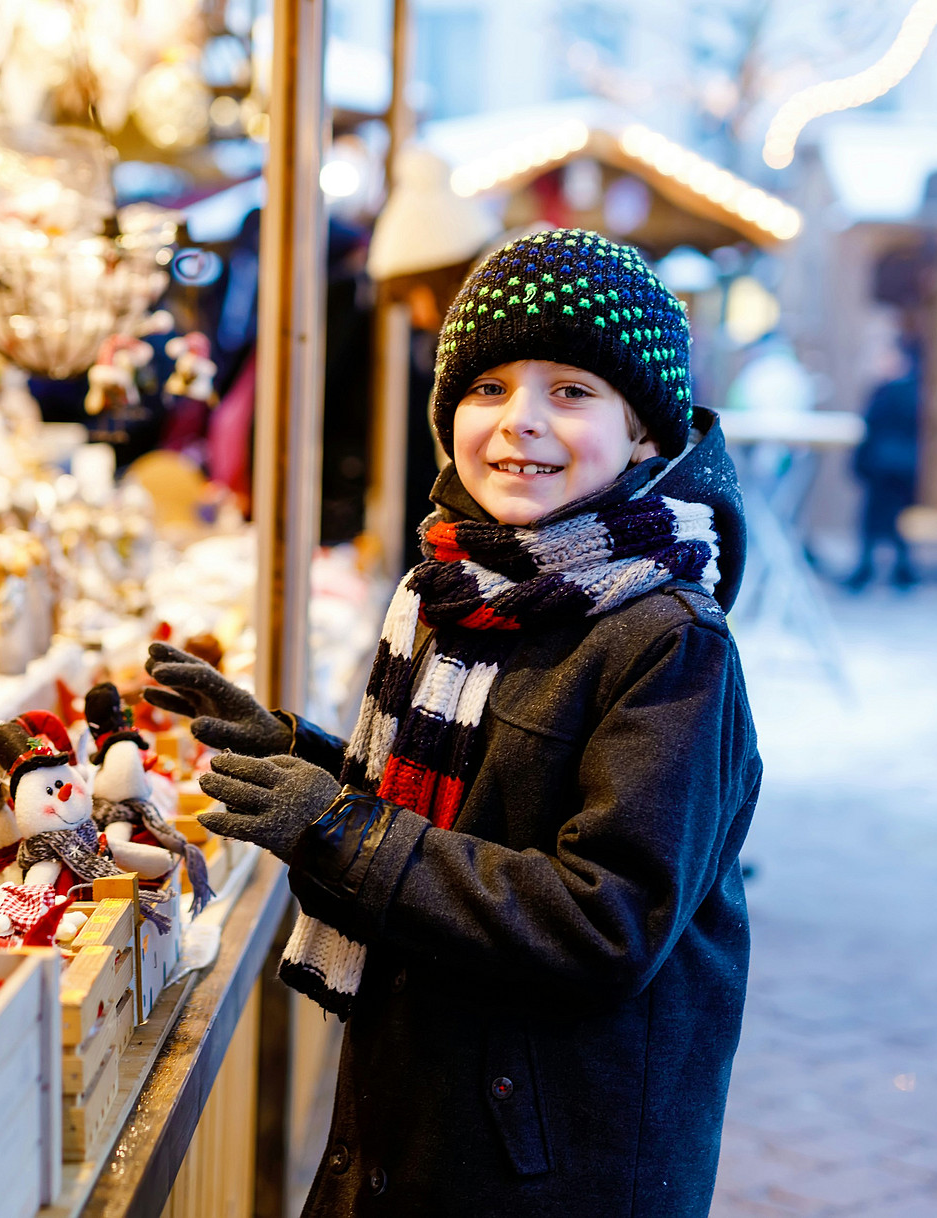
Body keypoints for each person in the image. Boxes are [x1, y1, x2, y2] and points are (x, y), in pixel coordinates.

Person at [146, 229, 760, 1217]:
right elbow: (459, 807)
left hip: (550, 1166)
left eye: (570, 390)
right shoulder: (458, 587)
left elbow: (605, 921)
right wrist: (293, 750)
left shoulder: (667, 640)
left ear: (644, 431)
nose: (520, 422)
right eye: (488, 388)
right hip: (423, 1114)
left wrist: (338, 828)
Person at [844, 343, 921, 591]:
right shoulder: (894, 391)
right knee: (885, 522)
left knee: (881, 521)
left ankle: (875, 571)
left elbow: (875, 426)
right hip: (886, 467)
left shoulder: (900, 393)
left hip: (890, 468)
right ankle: (900, 571)